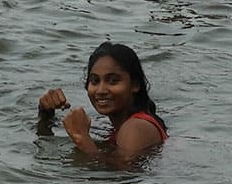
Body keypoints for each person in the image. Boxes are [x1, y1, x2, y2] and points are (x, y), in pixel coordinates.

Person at [36, 42, 168, 163]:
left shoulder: (135, 127)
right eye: (94, 81)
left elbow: (122, 177)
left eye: (113, 81)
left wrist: (81, 137)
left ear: (135, 85)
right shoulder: (121, 125)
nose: (101, 90)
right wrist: (46, 113)